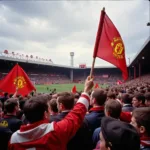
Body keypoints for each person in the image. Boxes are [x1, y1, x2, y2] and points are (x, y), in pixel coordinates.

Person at [8, 76, 94, 150]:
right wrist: (86, 90)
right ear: (45, 114)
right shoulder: (55, 131)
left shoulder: (13, 140)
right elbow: (76, 114)